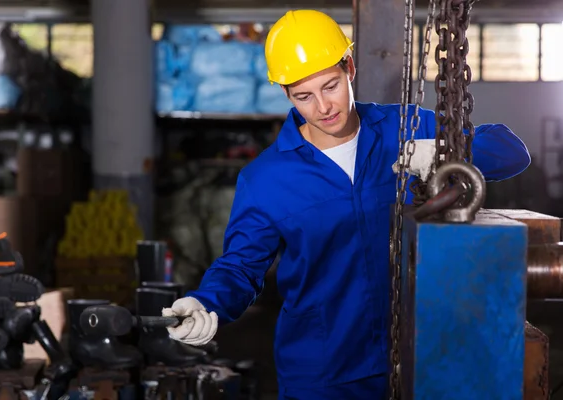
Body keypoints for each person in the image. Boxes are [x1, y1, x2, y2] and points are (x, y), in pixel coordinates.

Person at [161, 9, 531, 399]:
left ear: (350, 68)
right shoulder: (266, 179)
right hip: (322, 372)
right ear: (286, 94)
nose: (323, 107)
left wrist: (439, 152)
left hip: (418, 352)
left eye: (330, 85)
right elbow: (240, 266)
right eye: (304, 96)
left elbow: (512, 152)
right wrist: (206, 303)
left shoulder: (402, 128)